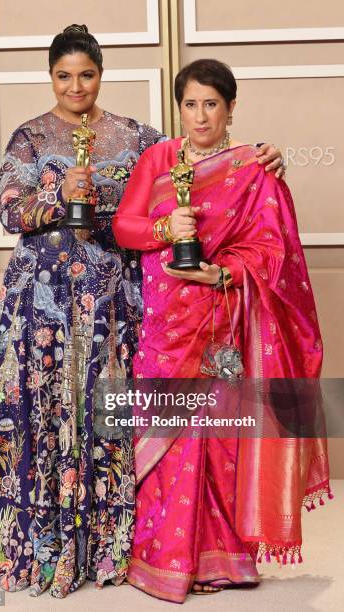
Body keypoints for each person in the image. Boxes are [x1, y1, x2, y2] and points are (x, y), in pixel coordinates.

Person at [0, 24, 283, 597]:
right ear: (50, 77)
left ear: (100, 75)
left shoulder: (136, 138)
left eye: (86, 74)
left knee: (114, 419)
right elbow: (8, 211)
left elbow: (193, 163)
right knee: (41, 414)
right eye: (63, 75)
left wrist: (262, 157)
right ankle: (35, 543)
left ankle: (125, 545)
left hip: (114, 301)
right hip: (40, 305)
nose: (75, 85)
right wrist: (58, 196)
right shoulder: (29, 137)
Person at [113, 59, 330, 603]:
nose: (200, 115)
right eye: (190, 104)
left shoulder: (254, 168)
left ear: (231, 107)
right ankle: (161, 560)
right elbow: (124, 226)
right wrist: (166, 228)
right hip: (168, 323)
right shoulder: (159, 158)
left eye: (212, 103)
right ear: (178, 108)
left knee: (222, 440)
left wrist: (224, 273)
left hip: (225, 319)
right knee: (169, 439)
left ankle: (224, 560)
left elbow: (276, 253)